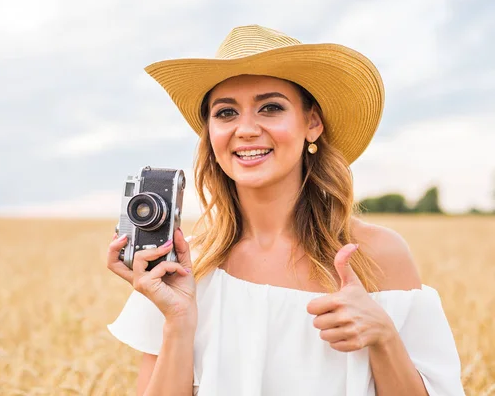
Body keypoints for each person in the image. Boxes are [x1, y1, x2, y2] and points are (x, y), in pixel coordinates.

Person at [106, 25, 465, 396]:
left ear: (312, 123)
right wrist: (178, 321)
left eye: (271, 107)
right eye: (226, 113)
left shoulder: (378, 257)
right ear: (210, 135)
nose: (245, 129)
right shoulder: (183, 270)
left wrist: (383, 336)